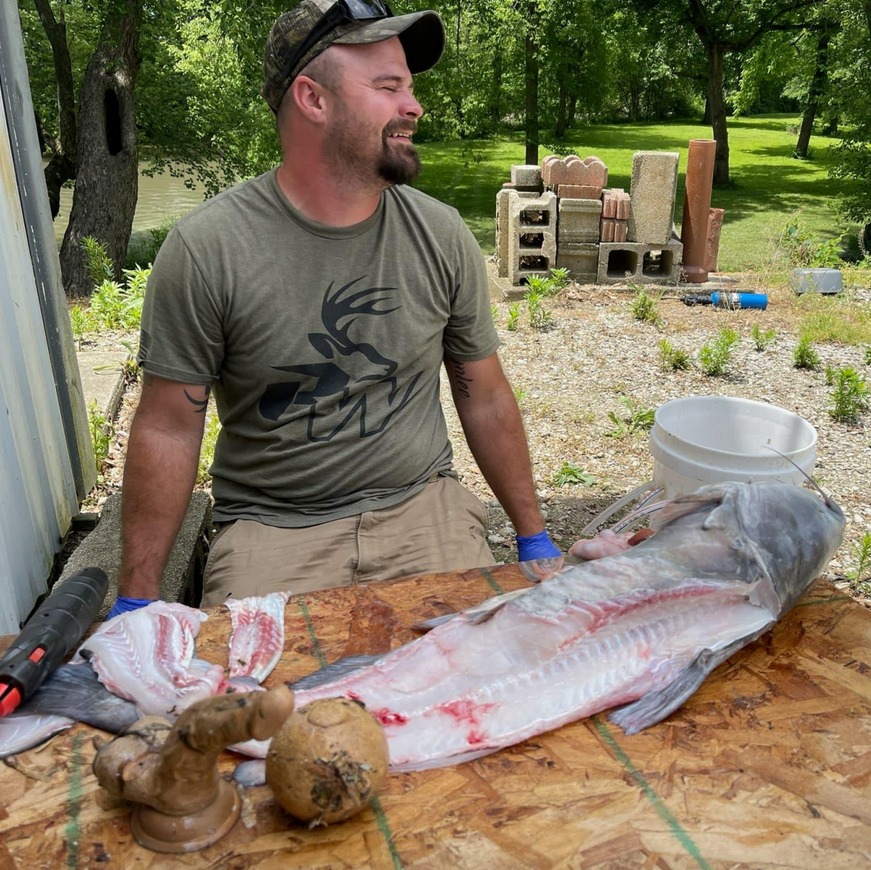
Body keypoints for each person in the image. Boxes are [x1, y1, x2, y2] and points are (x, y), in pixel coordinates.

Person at [107, 0, 562, 619]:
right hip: (273, 532)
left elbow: (482, 393)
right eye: (387, 86)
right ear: (313, 99)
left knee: (487, 687)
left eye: (410, 85)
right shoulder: (208, 250)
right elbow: (167, 425)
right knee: (257, 711)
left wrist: (533, 536)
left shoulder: (442, 234)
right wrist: (137, 595)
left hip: (423, 510)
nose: (414, 106)